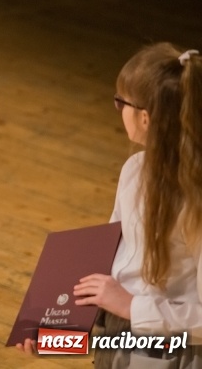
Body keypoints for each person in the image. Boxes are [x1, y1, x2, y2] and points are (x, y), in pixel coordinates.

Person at [72, 44, 201, 367]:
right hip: (119, 333)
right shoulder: (134, 170)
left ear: (145, 117)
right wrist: (52, 320)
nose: (117, 109)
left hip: (169, 348)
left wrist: (132, 307)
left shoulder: (196, 199)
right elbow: (110, 251)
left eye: (121, 102)